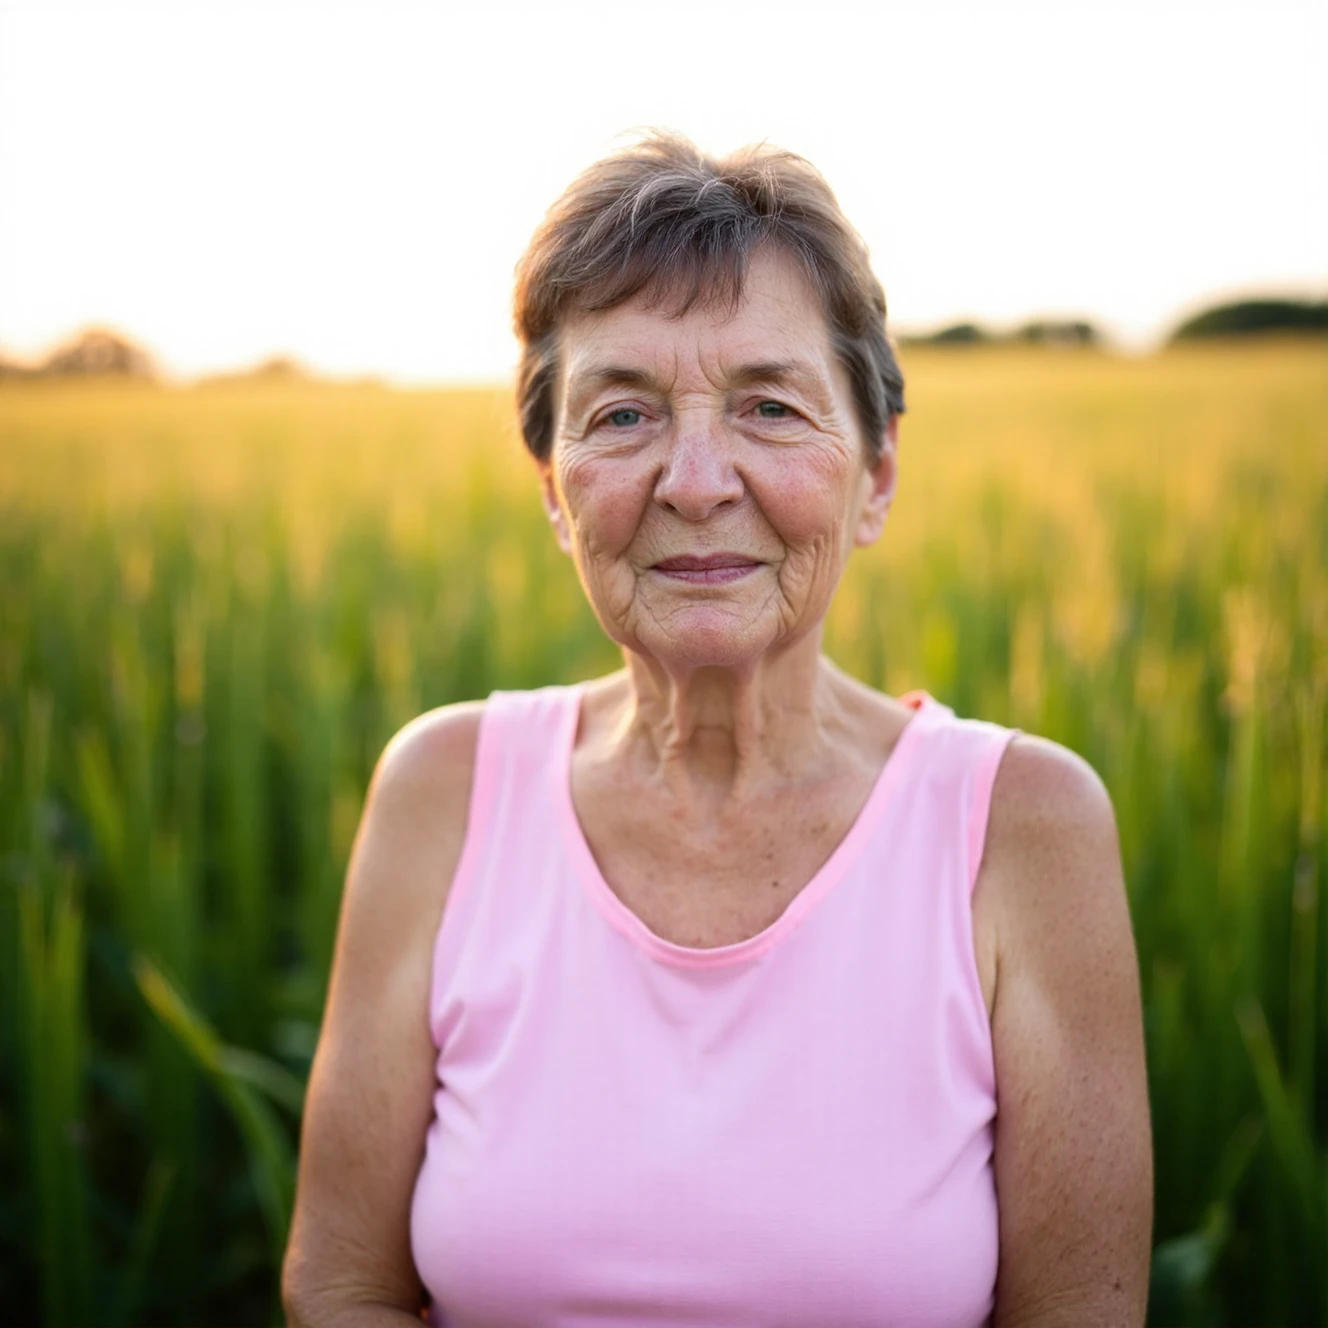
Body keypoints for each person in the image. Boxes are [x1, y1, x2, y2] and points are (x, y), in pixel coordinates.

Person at [282, 132, 1153, 1328]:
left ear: (877, 473)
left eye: (768, 406)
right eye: (623, 412)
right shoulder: (440, 788)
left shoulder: (1023, 825)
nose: (695, 479)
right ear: (553, 484)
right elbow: (339, 1286)